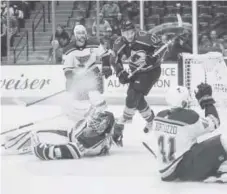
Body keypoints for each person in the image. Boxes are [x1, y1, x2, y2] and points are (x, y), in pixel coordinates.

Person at [149, 83, 227, 183]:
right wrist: (206, 100)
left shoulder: (159, 117)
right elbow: (214, 121)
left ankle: (217, 169)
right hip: (185, 169)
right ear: (184, 102)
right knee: (224, 140)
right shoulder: (189, 117)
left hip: (166, 171)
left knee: (196, 147)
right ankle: (217, 173)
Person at [2, 100, 124, 160]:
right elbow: (103, 118)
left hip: (67, 138)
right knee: (36, 133)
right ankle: (10, 142)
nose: (92, 124)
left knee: (36, 134)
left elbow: (74, 151)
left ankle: (9, 145)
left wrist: (48, 152)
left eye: (96, 124)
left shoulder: (92, 142)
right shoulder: (103, 128)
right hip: (69, 132)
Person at [110, 20, 167, 135]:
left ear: (135, 31)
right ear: (121, 33)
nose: (129, 36)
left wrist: (154, 57)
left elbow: (162, 46)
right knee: (138, 99)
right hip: (136, 72)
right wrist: (120, 72)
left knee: (132, 96)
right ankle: (152, 121)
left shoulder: (145, 37)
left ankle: (124, 120)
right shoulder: (118, 43)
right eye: (126, 33)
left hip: (151, 71)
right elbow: (114, 59)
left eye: (131, 32)